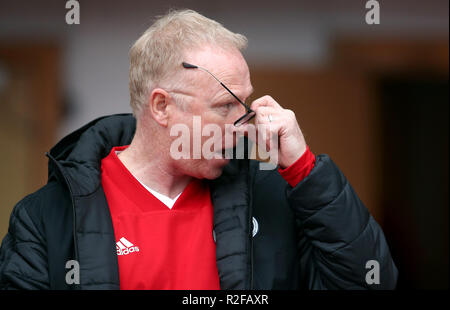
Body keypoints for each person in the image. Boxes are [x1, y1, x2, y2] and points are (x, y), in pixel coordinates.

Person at [0, 9, 397, 290]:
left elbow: (369, 279)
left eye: (245, 105)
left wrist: (304, 168)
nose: (244, 125)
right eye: (225, 106)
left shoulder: (272, 197)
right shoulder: (46, 218)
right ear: (161, 106)